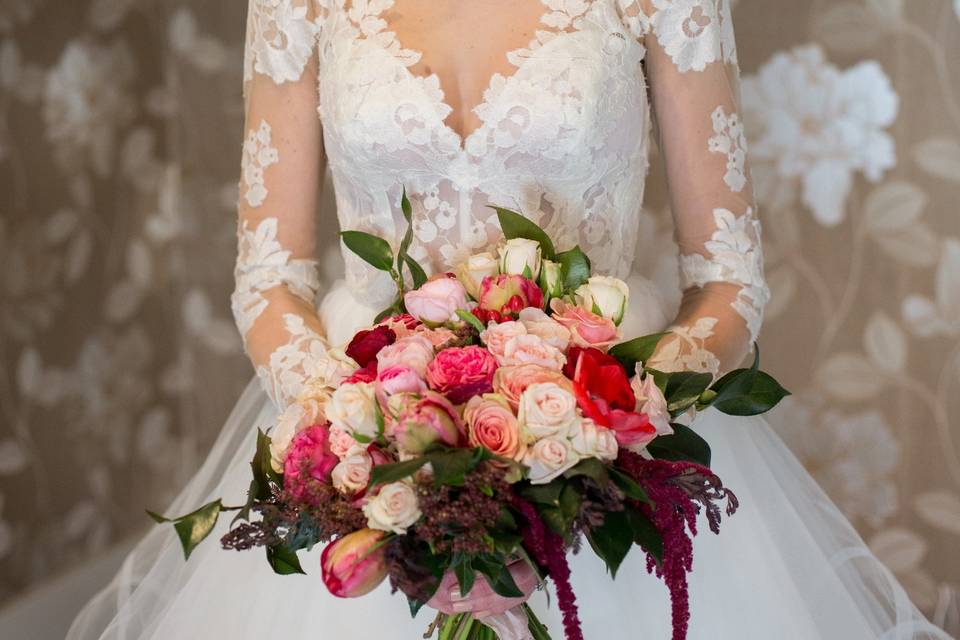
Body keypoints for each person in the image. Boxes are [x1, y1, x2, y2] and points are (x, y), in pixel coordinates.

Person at [67, 1, 951, 638]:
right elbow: (268, 279)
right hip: (368, 444)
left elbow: (727, 277)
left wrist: (596, 426)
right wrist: (367, 444)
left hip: (603, 448)